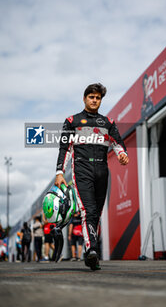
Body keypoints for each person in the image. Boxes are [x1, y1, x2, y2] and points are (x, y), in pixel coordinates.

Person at [55, 83, 129, 270]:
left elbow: (118, 144)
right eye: (91, 97)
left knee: (97, 213)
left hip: (102, 170)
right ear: (84, 98)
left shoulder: (108, 123)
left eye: (98, 98)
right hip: (81, 169)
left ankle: (90, 252)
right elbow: (64, 148)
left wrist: (122, 154)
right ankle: (92, 250)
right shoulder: (72, 121)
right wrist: (59, 173)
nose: (94, 100)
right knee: (88, 210)